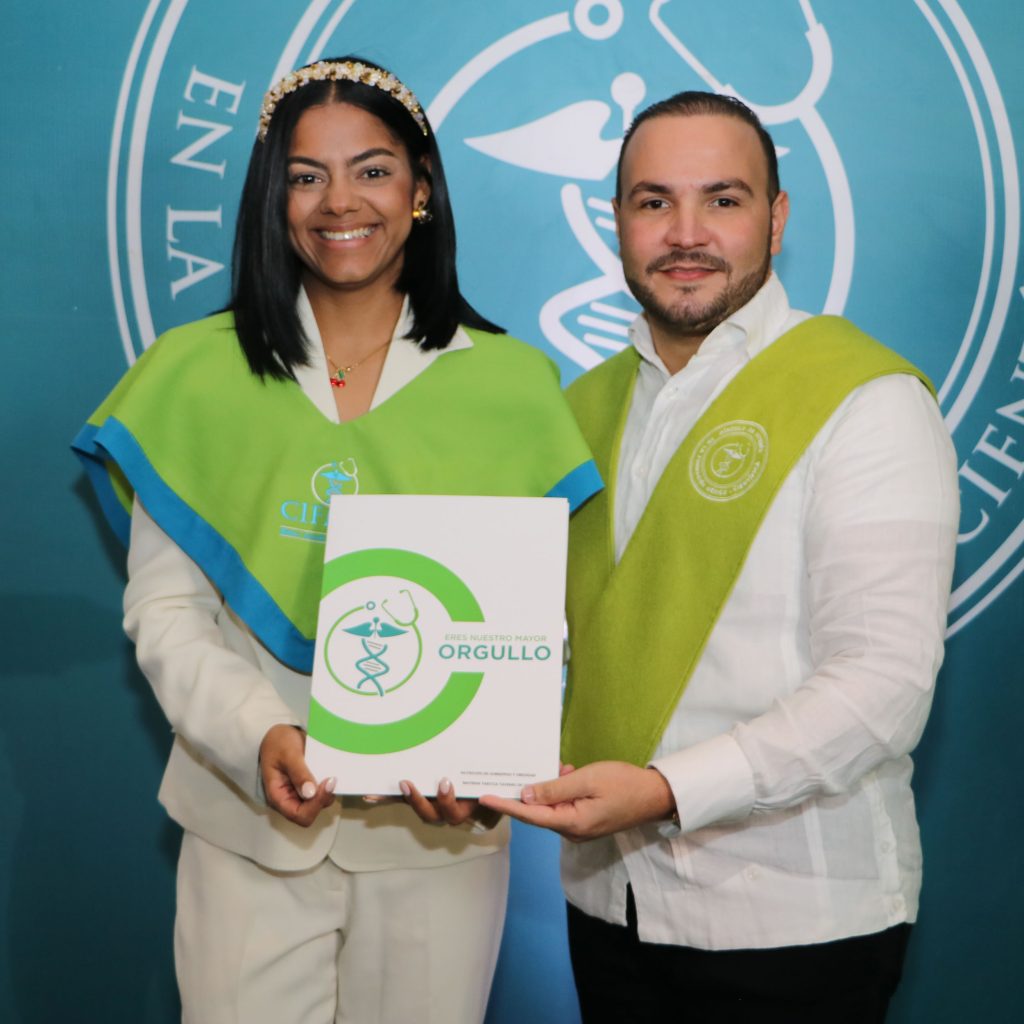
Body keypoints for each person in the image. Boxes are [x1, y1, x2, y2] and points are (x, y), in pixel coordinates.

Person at [73, 56, 600, 1024]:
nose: (339, 202)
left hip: (439, 837)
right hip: (244, 823)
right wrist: (259, 735)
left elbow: (538, 626)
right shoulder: (193, 375)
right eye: (305, 176)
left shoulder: (514, 386)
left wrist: (484, 765)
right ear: (271, 200)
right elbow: (165, 608)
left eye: (372, 170)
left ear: (421, 188)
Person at [481, 91, 960, 1022]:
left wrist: (668, 791)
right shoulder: (580, 412)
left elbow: (885, 687)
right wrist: (458, 752)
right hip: (608, 906)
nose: (686, 233)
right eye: (654, 201)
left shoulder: (866, 401)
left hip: (793, 920)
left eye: (723, 200)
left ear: (776, 220)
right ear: (616, 221)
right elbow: (540, 646)